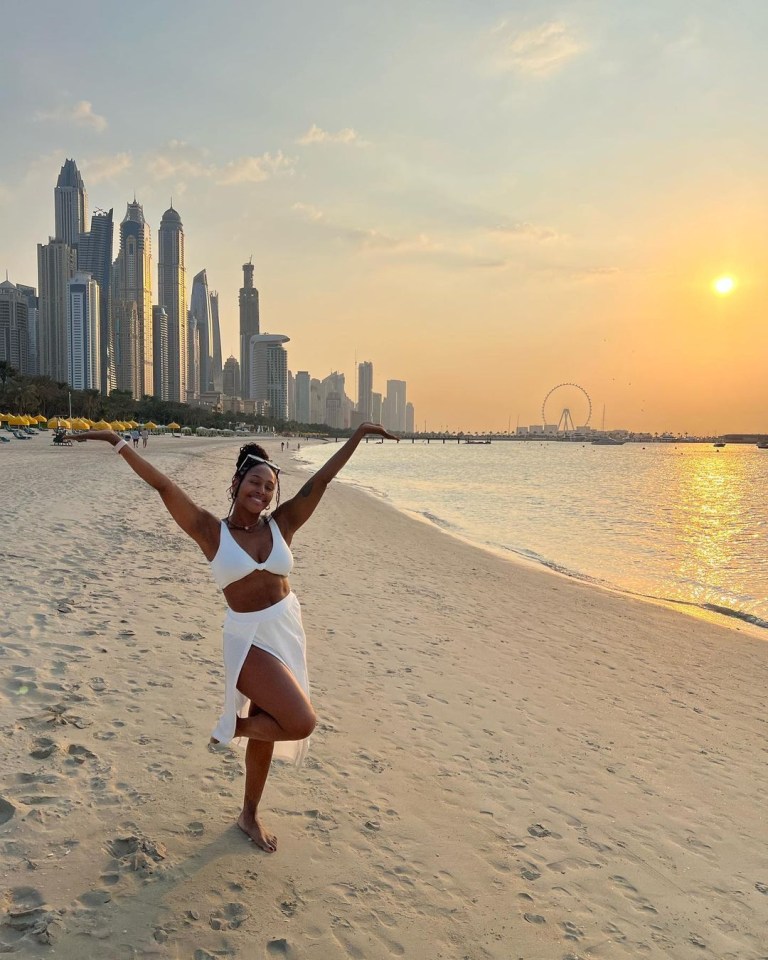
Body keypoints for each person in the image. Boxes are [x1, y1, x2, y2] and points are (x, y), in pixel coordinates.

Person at [70, 422, 398, 852]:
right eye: (255, 483)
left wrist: (356, 436)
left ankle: (249, 814)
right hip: (247, 639)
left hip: (286, 629)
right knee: (300, 722)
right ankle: (232, 726)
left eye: (269, 487)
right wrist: (116, 442)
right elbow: (164, 486)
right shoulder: (211, 531)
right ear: (237, 482)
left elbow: (322, 480)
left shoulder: (282, 524)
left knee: (272, 726)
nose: (261, 493)